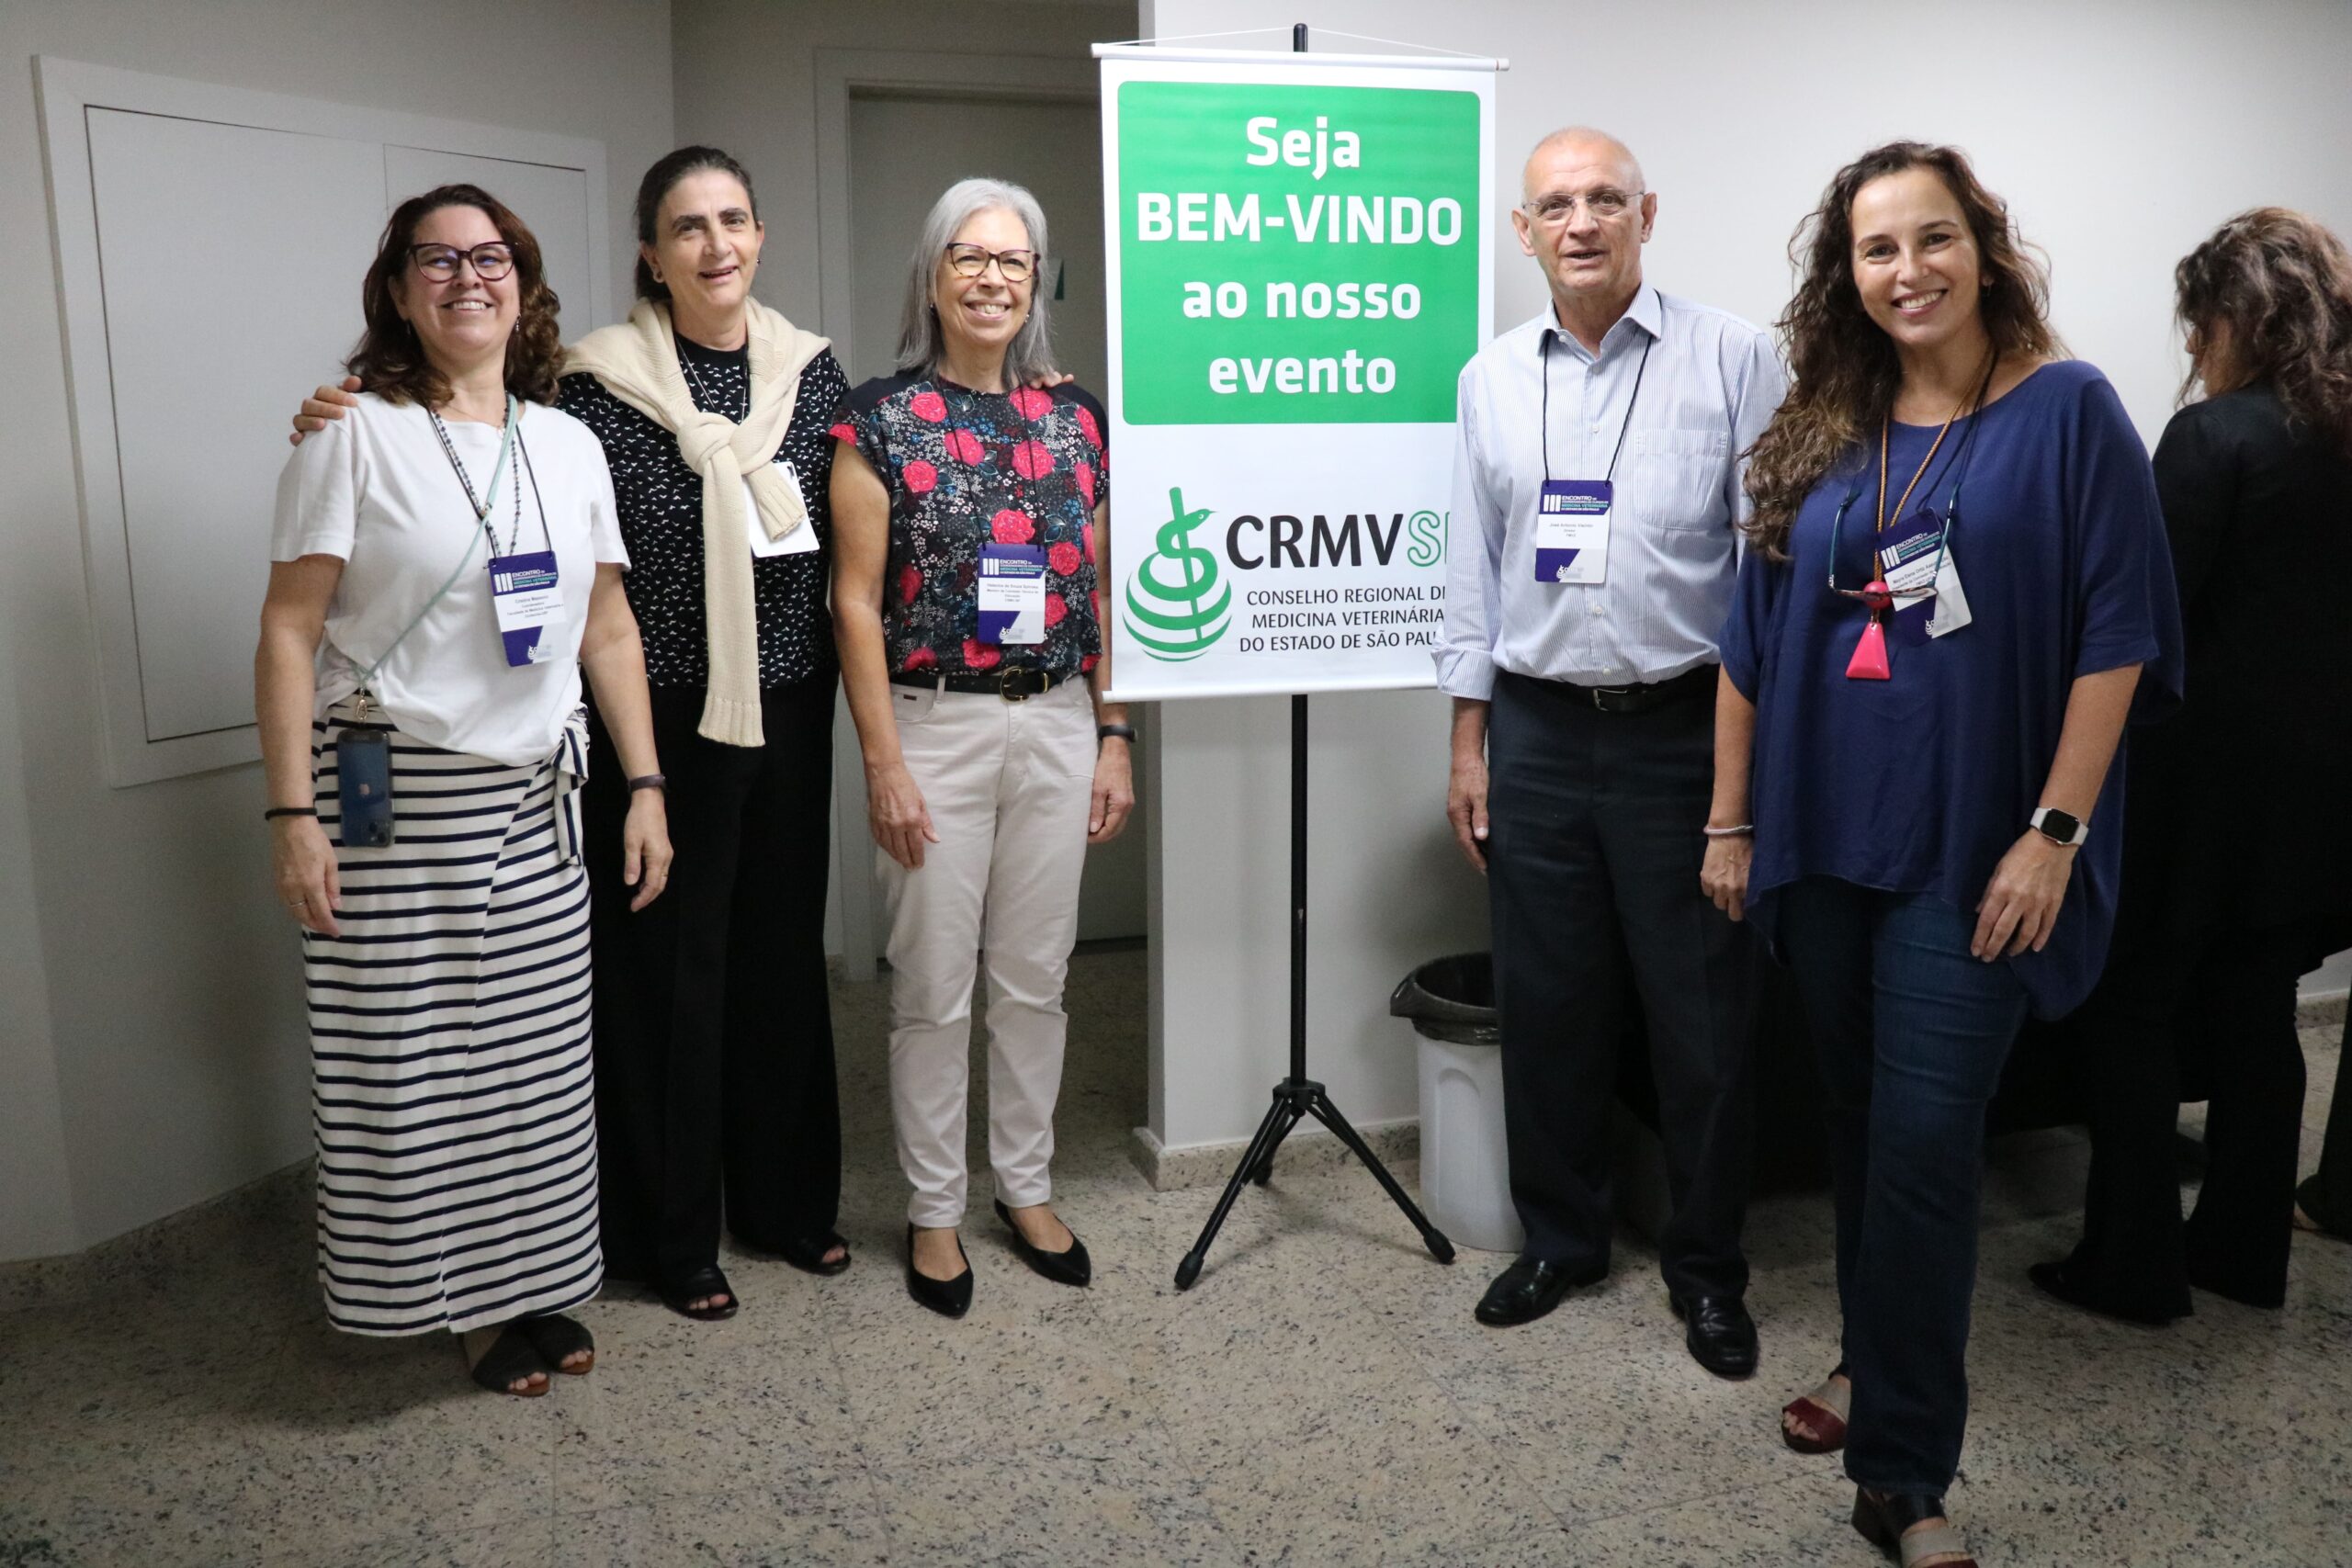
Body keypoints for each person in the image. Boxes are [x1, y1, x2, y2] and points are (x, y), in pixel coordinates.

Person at [1707, 142, 2180, 1567]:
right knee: (1859, 1120)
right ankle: (1870, 1353)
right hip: (1823, 838)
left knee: (1922, 1144)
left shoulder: (2068, 411)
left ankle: (1902, 1475)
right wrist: (1730, 822)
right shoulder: (1823, 426)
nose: (1906, 271)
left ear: (1984, 245)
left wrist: (2055, 831)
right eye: (1875, 249)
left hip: (1976, 848)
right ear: (1842, 274)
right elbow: (1745, 644)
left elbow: (2121, 636)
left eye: (1932, 240)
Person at [296, 147, 852, 1323]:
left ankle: (786, 1204)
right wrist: (339, 409)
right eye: (687, 227)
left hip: (790, 705)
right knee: (664, 980)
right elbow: (494, 488)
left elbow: (853, 541)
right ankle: (669, 1234)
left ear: (760, 235)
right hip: (653, 716)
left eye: (734, 220)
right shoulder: (597, 388)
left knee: (776, 964)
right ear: (650, 253)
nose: (716, 244)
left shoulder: (811, 374)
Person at [256, 185, 671, 1396]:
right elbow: (289, 632)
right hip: (394, 800)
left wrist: (644, 783)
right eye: (434, 261)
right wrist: (290, 816)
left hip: (543, 798)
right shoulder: (353, 434)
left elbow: (608, 629)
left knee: (535, 1067)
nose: (465, 277)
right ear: (397, 291)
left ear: (525, 285)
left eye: (489, 257)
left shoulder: (569, 442)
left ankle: (535, 1277)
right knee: (416, 1066)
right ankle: (463, 1306)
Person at [1437, 128, 1784, 1376]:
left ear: (1648, 213)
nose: (1580, 222)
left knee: (1701, 1022)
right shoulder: (1488, 379)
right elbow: (1470, 577)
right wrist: (1469, 742)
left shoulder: (1738, 357)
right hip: (1533, 729)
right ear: (1522, 232)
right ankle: (1565, 1237)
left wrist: (1737, 796)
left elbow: (1765, 581)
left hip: (1683, 734)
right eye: (1554, 205)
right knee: (1551, 1005)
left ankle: (1706, 1271)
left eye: (1604, 200)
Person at [2032, 209, 2352, 1322]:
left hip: (2195, 787)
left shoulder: (2215, 439)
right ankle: (2240, 1254)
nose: (2187, 347)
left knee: (2132, 1010)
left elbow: (2141, 620)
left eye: (2196, 322)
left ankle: (2130, 1265)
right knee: (2259, 1012)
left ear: (2235, 317)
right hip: (2316, 795)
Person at [830, 177, 1133, 1319]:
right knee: (932, 990)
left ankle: (1027, 1186)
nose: (993, 277)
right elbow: (853, 604)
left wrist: (1113, 734)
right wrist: (882, 763)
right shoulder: (877, 422)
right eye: (969, 257)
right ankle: (933, 1209)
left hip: (1057, 716)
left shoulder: (1075, 418)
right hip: (934, 725)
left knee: (1035, 980)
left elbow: (1101, 589)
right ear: (933, 275)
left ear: (1036, 280)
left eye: (1014, 259)